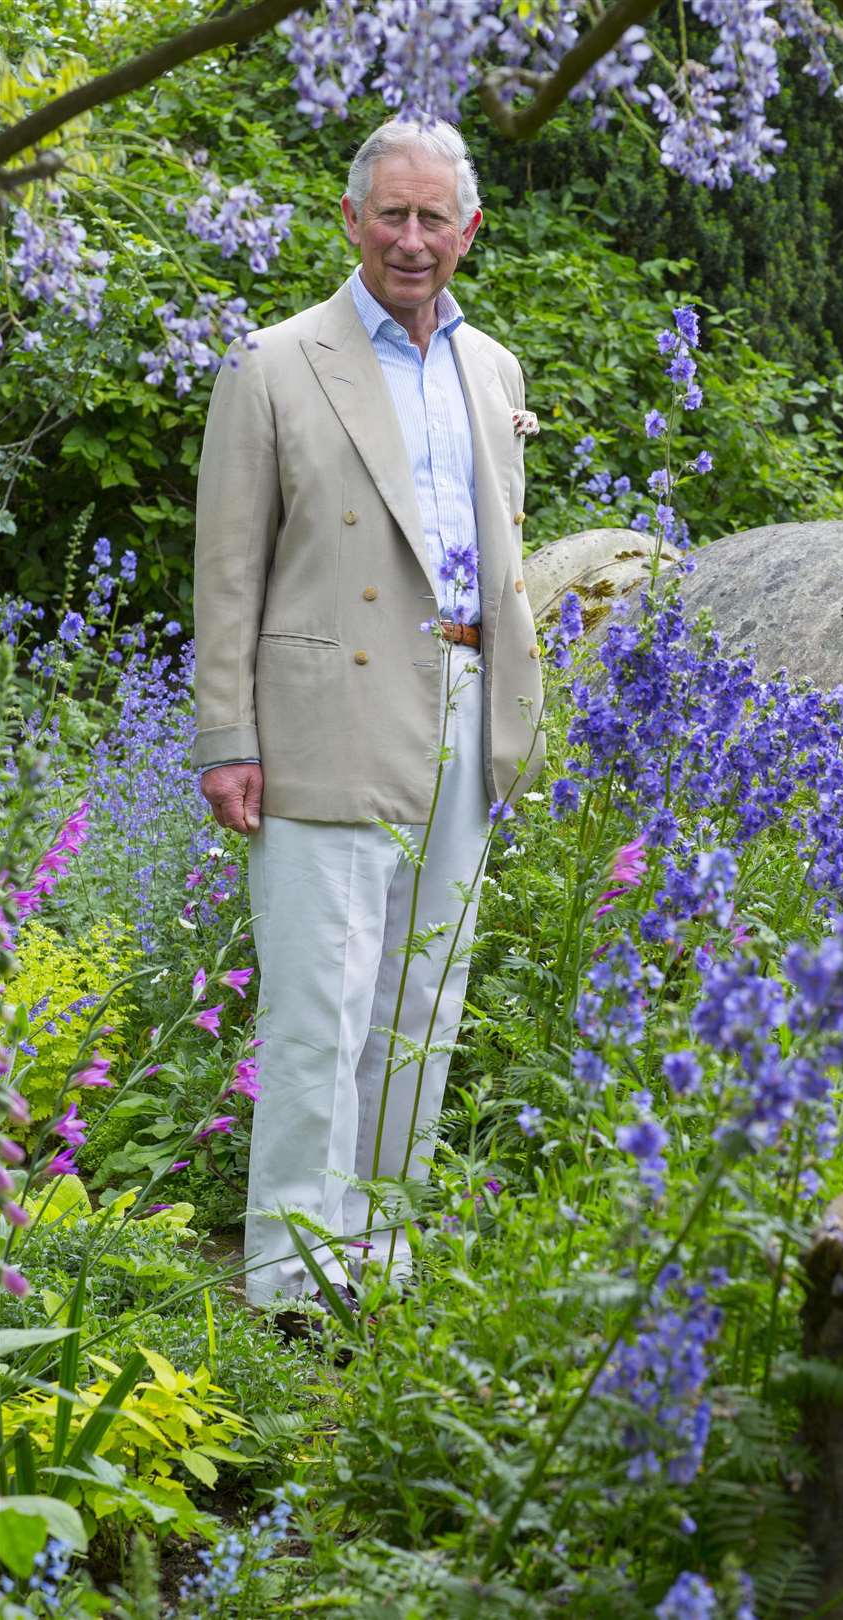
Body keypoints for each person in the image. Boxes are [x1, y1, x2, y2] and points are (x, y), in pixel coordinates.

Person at [192, 117, 545, 1311]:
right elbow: (228, 571)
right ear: (350, 220)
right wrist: (226, 739)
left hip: (466, 703)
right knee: (319, 1010)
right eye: (389, 214)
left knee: (421, 1007)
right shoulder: (274, 362)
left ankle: (377, 1260)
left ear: (469, 230)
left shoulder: (493, 371)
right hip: (323, 713)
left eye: (432, 217)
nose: (410, 238)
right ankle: (292, 1287)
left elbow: (499, 562)